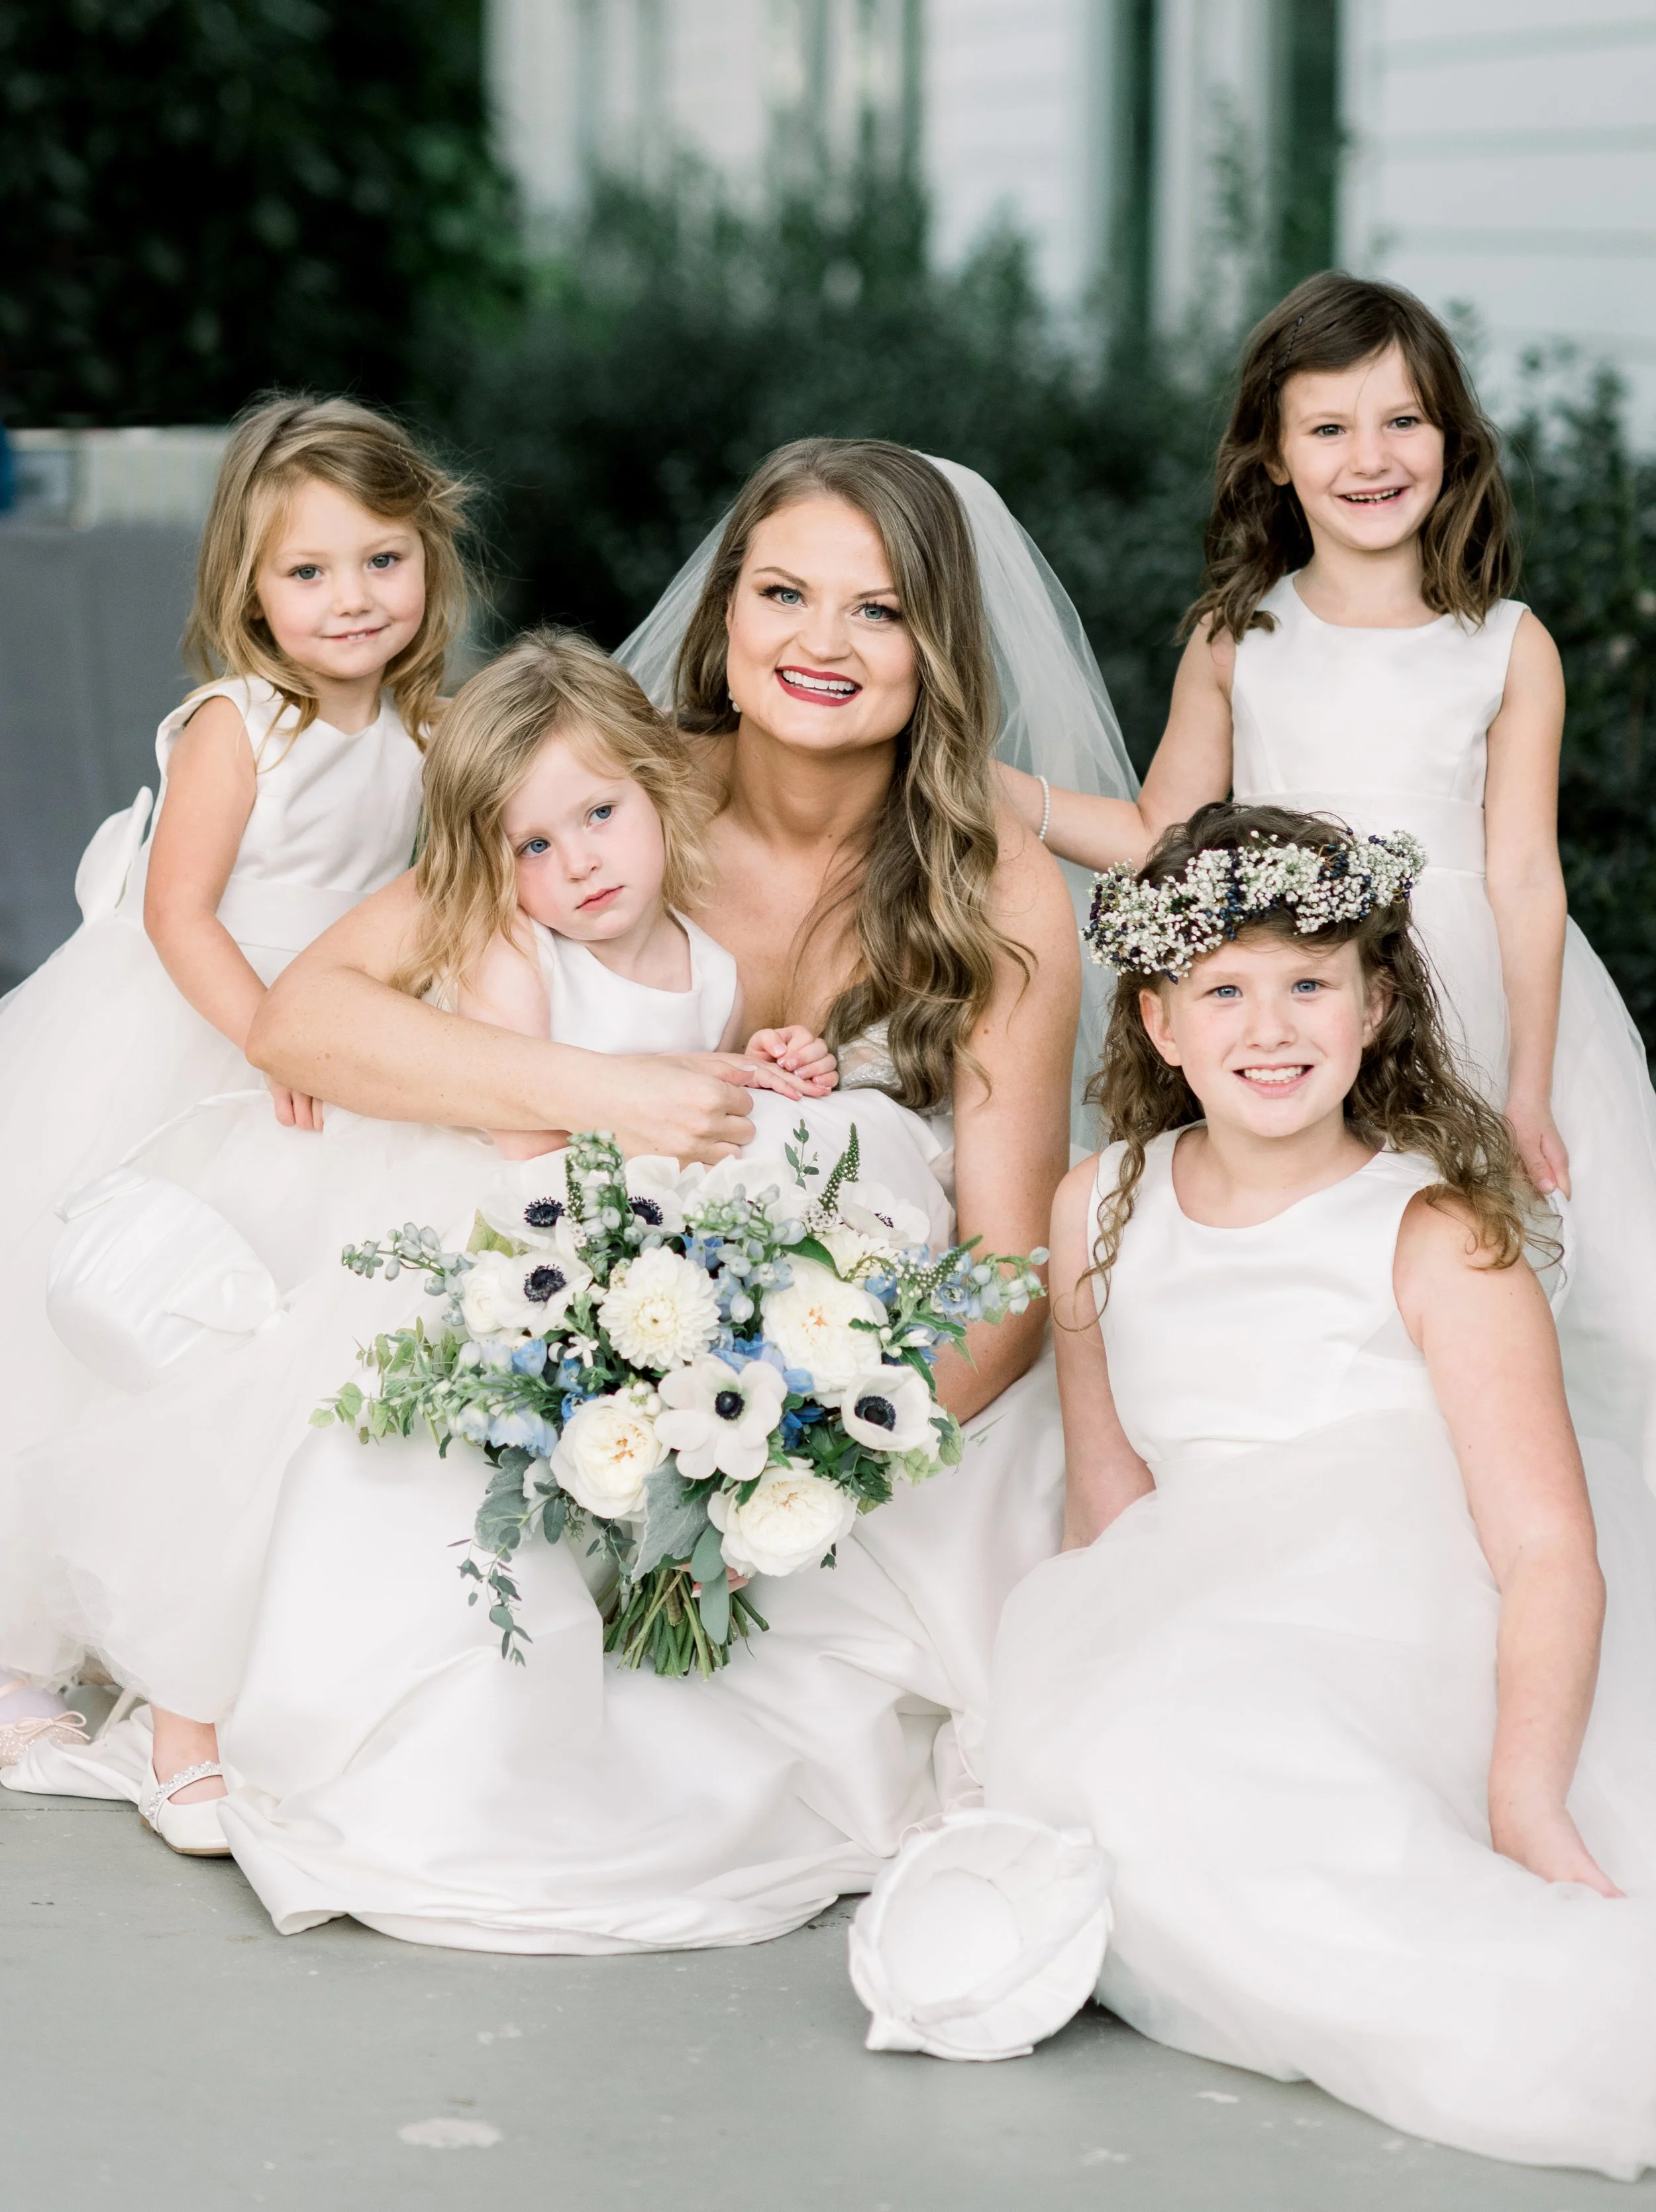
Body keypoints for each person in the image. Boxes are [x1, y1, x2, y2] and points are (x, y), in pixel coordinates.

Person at [57, 438, 1096, 1949]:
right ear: (721, 618)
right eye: (783, 592)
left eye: (876, 612)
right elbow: (310, 1020)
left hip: (832, 1369)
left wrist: (797, 1473)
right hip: (568, 1301)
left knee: (793, 1675)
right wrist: (611, 1100)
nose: (819, 641)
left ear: (936, 648)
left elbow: (1003, 1269)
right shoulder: (605, 786)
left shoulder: (990, 880)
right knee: (432, 1545)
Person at [0, 630, 836, 1850]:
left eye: (599, 815)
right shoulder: (511, 941)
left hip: (591, 1234)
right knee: (271, 1440)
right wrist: (664, 1103)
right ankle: (183, 1714)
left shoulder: (710, 959)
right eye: (533, 846)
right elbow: (527, 1123)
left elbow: (691, 1095)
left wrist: (766, 1067)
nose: (578, 863)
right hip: (477, 1212)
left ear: (660, 789)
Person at [984, 802, 1656, 2177]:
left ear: (1375, 1002)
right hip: (1188, 1596)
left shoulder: (1431, 1227)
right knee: (1134, 1768)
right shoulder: (1094, 1200)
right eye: (1221, 989)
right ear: (1160, 1024)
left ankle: (1564, 2014)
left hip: (1403, 1604)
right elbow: (1106, 1495)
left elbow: (1541, 1545)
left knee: (1249, 1766)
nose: (1268, 1025)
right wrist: (1066, 1669)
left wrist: (1524, 1792)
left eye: (1308, 982)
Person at [1000, 270, 1656, 1508]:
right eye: (1329, 427)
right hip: (1297, 998)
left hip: (1480, 998)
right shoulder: (1239, 633)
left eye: (1402, 420)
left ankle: (1554, 1556)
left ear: (1452, 442)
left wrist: (1527, 1081)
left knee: (1571, 1298)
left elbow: (1523, 870)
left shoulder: (1508, 644)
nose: (1371, 456)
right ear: (1274, 457)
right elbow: (1162, 831)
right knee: (1336, 1280)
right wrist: (996, 792)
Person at [0, 393, 470, 1764]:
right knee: (102, 1316)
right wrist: (274, 1031)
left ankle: (197, 1619)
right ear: (250, 590)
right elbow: (177, 908)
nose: (351, 598)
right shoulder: (239, 721)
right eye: (307, 571)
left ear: (430, 556)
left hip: (330, 1024)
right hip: (201, 1024)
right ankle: (20, 1640)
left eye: (382, 558)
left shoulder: (431, 727)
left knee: (256, 1320)